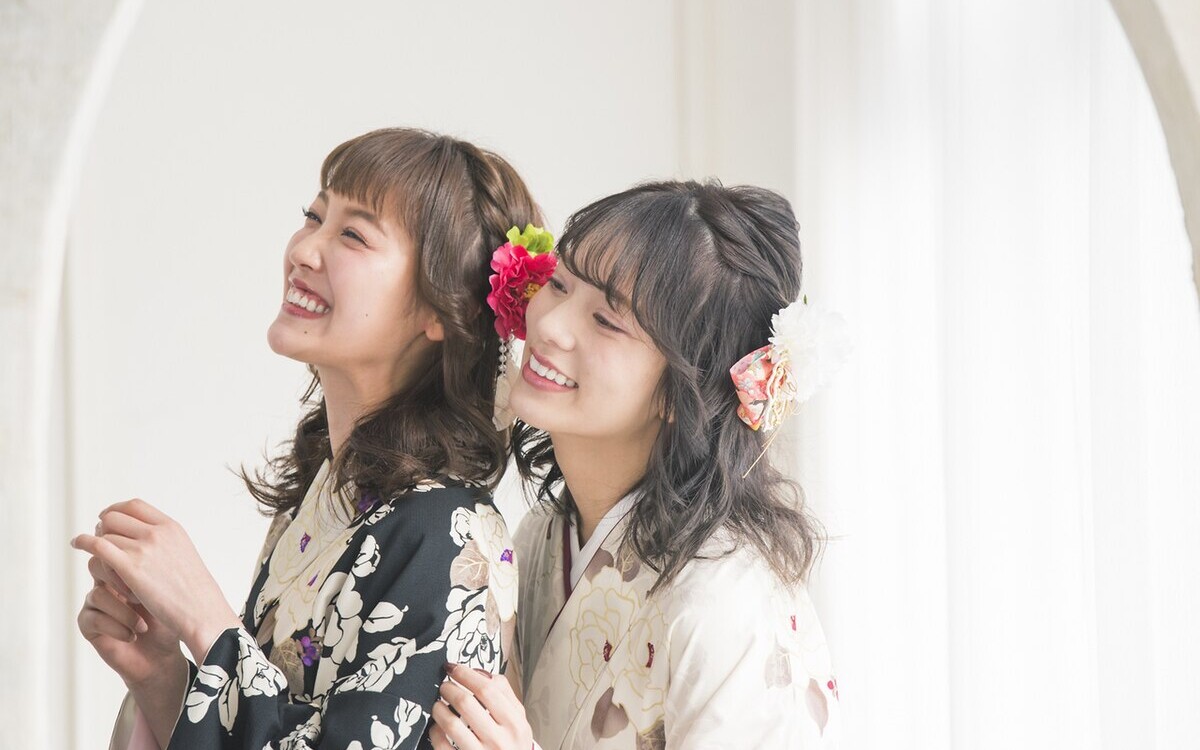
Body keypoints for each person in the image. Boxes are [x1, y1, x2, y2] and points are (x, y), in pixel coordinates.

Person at [71, 127, 541, 749]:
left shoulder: (452, 534)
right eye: (314, 217)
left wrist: (206, 619)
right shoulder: (325, 498)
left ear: (440, 309)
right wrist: (161, 677)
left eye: (353, 235)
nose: (304, 249)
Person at [431, 180, 846, 749]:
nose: (548, 325)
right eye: (559, 284)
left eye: (606, 320)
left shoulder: (729, 596)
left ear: (684, 389)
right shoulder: (541, 536)